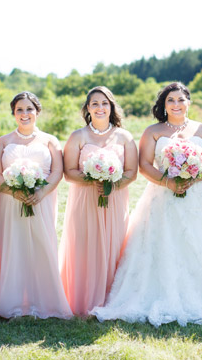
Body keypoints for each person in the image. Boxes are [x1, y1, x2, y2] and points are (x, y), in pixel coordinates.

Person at [91, 82, 202, 327]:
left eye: (181, 99)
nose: (176, 104)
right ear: (164, 104)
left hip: (196, 197)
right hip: (161, 197)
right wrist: (167, 182)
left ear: (188, 102)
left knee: (199, 244)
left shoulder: (201, 129)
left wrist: (195, 176)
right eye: (171, 100)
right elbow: (145, 164)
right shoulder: (153, 131)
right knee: (162, 244)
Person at [0, 92, 72, 319]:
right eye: (19, 110)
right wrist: (14, 191)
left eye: (29, 109)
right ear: (14, 113)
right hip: (9, 200)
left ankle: (44, 301)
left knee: (42, 244)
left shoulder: (49, 140)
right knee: (12, 245)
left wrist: (42, 192)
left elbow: (57, 171)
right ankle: (10, 301)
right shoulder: (3, 142)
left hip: (41, 200)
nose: (25, 114)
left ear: (37, 111)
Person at [58, 86, 138, 316]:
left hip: (115, 200)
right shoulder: (78, 136)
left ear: (111, 106)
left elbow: (132, 172)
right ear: (88, 108)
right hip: (84, 200)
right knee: (85, 245)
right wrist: (91, 180)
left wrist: (111, 185)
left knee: (115, 245)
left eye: (104, 103)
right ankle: (83, 300)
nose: (100, 107)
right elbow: (69, 172)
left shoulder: (124, 137)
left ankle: (113, 299)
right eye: (95, 103)